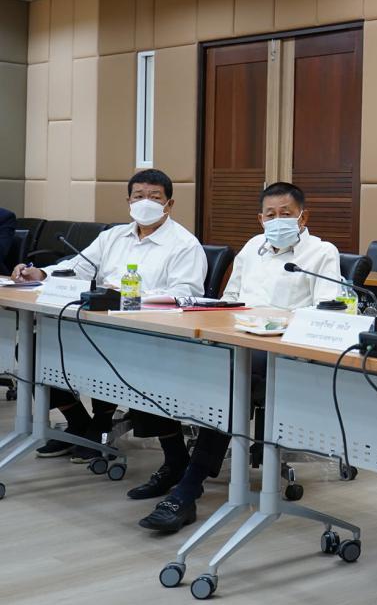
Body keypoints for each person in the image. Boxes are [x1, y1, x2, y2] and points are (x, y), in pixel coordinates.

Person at [137, 182, 341, 533]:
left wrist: (274, 324)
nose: (277, 220)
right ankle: (176, 460)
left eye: (286, 214)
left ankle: (188, 488)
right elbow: (229, 302)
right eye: (270, 215)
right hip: (240, 341)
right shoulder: (252, 248)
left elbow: (327, 312)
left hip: (285, 353)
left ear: (303, 217)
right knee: (167, 358)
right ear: (260, 219)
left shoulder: (321, 254)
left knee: (230, 378)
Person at [11, 169, 207, 471]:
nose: (145, 202)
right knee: (35, 348)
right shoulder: (113, 237)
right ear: (128, 201)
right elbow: (77, 267)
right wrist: (40, 273)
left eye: (155, 197)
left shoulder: (184, 245)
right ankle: (78, 423)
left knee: (110, 357)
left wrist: (133, 295)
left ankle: (102, 424)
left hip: (148, 335)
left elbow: (186, 296)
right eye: (138, 196)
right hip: (97, 326)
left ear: (169, 204)